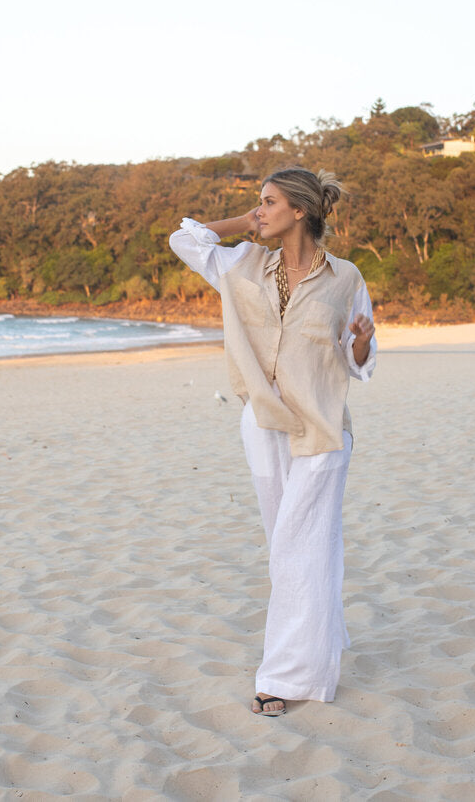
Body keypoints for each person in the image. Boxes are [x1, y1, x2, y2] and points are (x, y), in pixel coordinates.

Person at [169, 167, 377, 717]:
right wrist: (244, 221)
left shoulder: (346, 277)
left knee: (297, 545)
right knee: (289, 541)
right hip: (262, 424)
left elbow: (359, 363)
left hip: (323, 428)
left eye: (268, 202)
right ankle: (324, 632)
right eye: (258, 202)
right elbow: (184, 240)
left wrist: (360, 342)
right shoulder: (241, 263)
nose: (259, 210)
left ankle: (284, 676)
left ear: (300, 210)